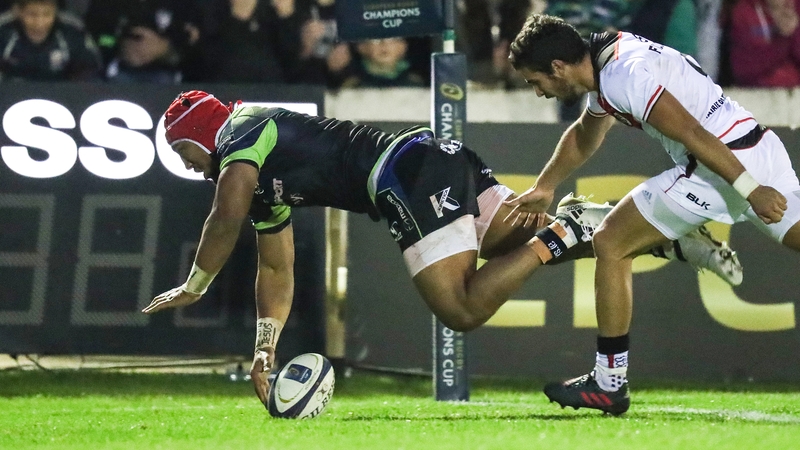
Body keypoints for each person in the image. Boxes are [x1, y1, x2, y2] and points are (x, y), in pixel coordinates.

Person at [141, 90, 744, 409]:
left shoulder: (240, 133)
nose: (185, 165)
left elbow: (223, 215)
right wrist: (264, 348)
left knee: (460, 307)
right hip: (431, 158)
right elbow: (276, 266)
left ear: (200, 136)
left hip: (404, 175)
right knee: (513, 244)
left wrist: (196, 284)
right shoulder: (254, 175)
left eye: (181, 151)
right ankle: (646, 235)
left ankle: (566, 230)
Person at [506, 14, 799, 415]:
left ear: (557, 67)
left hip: (719, 167)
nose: (539, 92)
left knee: (610, 241)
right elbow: (585, 133)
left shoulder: (624, 77)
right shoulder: (611, 60)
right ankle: (682, 237)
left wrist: (751, 190)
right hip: (758, 148)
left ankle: (609, 382)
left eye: (535, 81)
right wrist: (545, 185)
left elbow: (692, 133)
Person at [0, 0, 102, 81]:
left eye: (47, 14)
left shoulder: (72, 30)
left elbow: (90, 70)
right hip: (12, 91)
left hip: (61, 92)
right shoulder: (3, 29)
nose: (39, 23)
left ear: (56, 12)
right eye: (32, 14)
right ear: (19, 12)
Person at [728, 0, 800, 87]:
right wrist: (783, 40)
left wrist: (794, 31)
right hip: (757, 90)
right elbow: (743, 69)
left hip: (796, 87)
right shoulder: (745, 11)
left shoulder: (796, 6)